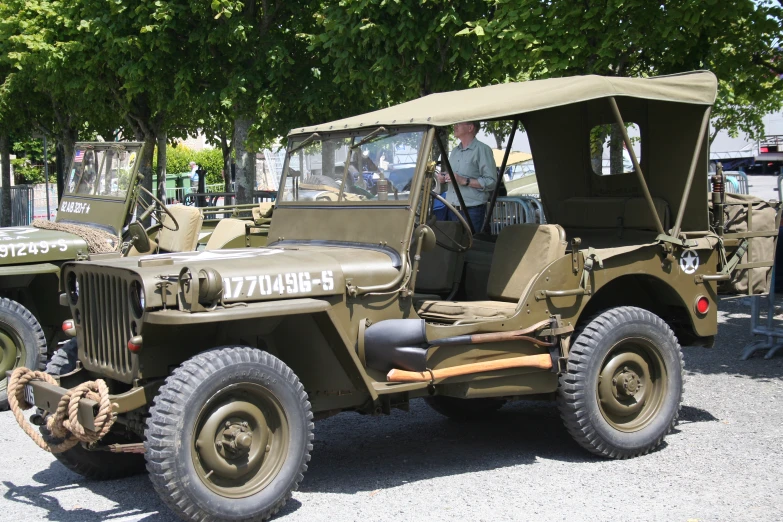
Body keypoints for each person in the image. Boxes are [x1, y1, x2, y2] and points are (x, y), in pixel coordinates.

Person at [435, 121, 497, 232]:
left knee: (472, 246)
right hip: (452, 209)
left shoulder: (482, 150)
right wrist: (443, 177)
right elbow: (453, 176)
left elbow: (491, 182)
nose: (455, 126)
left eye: (459, 123)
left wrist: (465, 181)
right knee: (454, 246)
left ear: (470, 128)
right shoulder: (454, 151)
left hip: (472, 211)